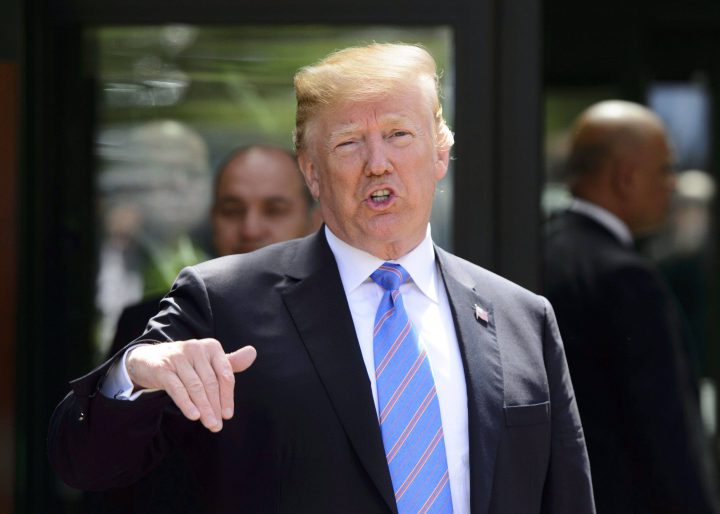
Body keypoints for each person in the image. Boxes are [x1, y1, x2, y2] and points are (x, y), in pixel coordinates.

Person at [49, 43, 595, 514]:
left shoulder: (522, 317)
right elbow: (83, 460)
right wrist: (134, 375)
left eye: (399, 134)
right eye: (349, 143)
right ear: (311, 171)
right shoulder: (222, 301)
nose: (377, 163)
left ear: (441, 153)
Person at [544, 100, 719, 513]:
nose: (673, 184)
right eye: (665, 169)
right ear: (626, 178)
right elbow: (667, 431)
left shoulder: (542, 249)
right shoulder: (626, 278)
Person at [110, 144, 320, 354]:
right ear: (213, 220)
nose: (250, 229)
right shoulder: (150, 324)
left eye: (274, 211)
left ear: (315, 221)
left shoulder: (339, 313)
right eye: (232, 211)